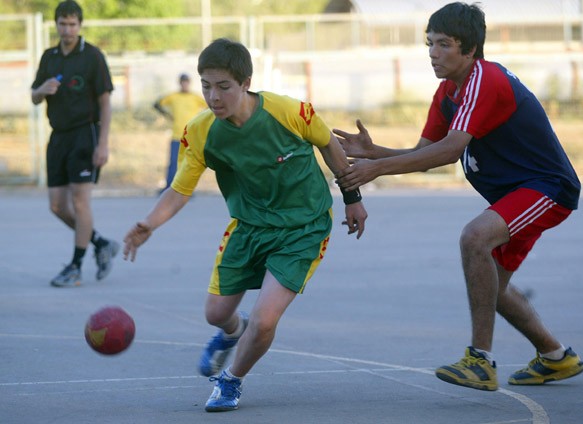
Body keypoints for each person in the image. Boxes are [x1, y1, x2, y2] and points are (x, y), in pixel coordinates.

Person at [334, 2, 583, 392]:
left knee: (474, 237)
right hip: (516, 196)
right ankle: (556, 356)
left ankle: (480, 362)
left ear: (470, 49)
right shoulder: (448, 91)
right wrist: (375, 152)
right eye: (429, 44)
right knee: (492, 287)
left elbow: (450, 151)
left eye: (444, 44)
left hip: (547, 188)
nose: (433, 53)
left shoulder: (485, 79)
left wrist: (376, 169)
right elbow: (425, 154)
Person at [123, 38, 368, 412]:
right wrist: (148, 223)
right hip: (249, 227)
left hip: (303, 227)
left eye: (223, 86)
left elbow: (329, 145)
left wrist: (352, 197)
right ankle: (232, 332)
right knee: (216, 314)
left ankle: (231, 380)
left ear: (245, 83)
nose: (213, 97)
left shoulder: (289, 112)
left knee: (265, 320)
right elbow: (179, 190)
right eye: (207, 86)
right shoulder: (201, 131)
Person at [31, 0, 119, 288]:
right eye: (63, 24)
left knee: (80, 202)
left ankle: (76, 267)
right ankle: (100, 242)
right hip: (58, 136)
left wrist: (103, 144)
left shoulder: (92, 56)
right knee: (57, 206)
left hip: (85, 134)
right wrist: (41, 90)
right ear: (56, 25)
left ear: (79, 25)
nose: (67, 29)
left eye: (72, 24)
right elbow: (34, 96)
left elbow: (105, 103)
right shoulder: (49, 57)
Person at [153, 73, 206, 192]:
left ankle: (187, 188)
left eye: (186, 82)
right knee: (173, 162)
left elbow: (209, 108)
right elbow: (157, 104)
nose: (185, 85)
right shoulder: (174, 96)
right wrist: (168, 115)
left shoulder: (195, 97)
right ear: (180, 83)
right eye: (183, 82)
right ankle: (169, 187)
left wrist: (200, 120)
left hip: (191, 136)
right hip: (177, 135)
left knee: (189, 164)